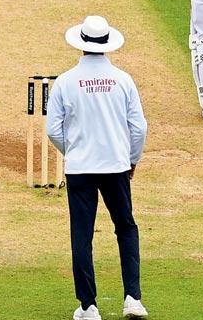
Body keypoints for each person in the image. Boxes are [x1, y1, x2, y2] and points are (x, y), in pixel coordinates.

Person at [46, 16, 149, 320]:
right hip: (116, 165)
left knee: (82, 234)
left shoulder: (66, 81)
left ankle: (88, 306)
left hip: (80, 168)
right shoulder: (123, 79)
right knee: (126, 228)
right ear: (106, 44)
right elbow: (138, 128)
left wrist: (74, 152)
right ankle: (133, 298)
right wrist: (132, 159)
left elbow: (53, 129)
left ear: (81, 43)